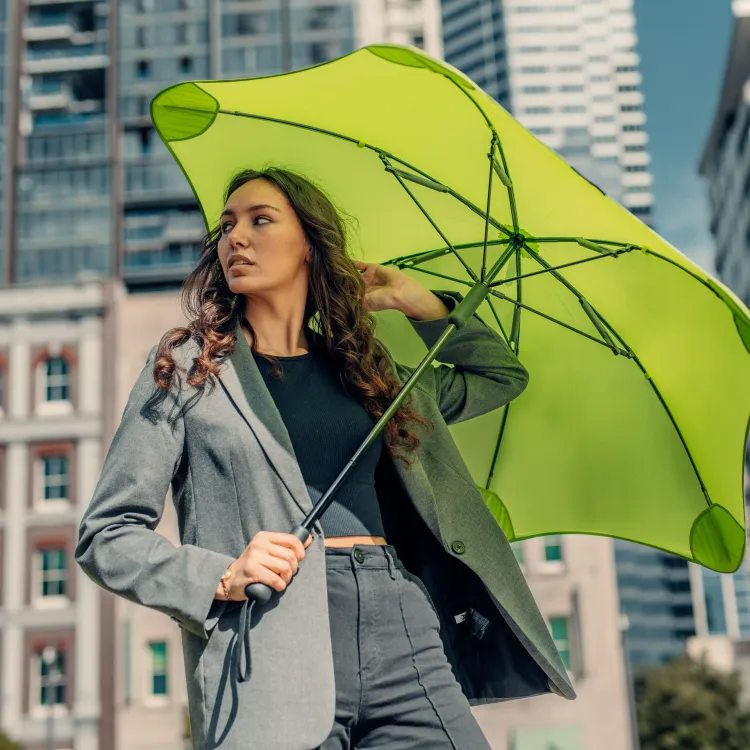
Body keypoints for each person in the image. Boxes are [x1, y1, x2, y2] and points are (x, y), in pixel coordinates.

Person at [76, 167, 574, 750]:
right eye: (228, 225)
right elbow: (106, 535)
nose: (236, 238)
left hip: (402, 625)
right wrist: (224, 575)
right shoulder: (189, 366)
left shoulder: (371, 372)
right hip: (270, 637)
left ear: (310, 245)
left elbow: (499, 375)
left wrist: (419, 300)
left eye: (261, 220)